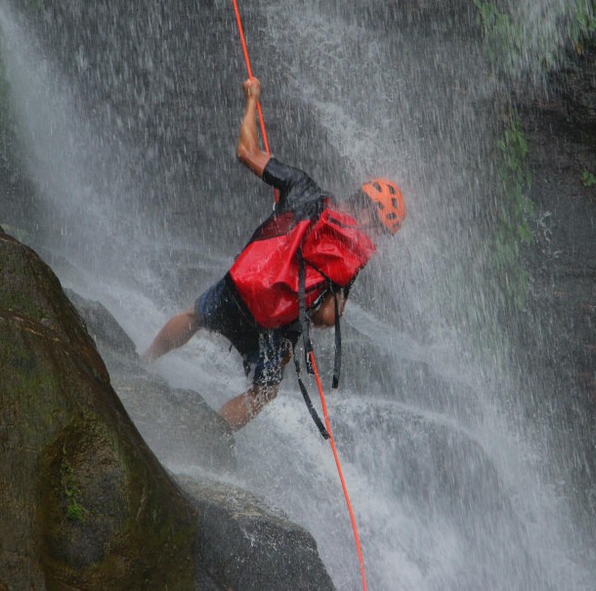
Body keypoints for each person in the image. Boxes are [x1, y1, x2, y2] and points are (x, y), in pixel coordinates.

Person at [141, 76, 405, 431]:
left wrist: (251, 98)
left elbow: (246, 152)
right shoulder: (351, 261)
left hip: (242, 287)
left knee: (194, 317)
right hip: (272, 325)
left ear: (358, 194)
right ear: (380, 230)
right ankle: (209, 435)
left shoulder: (306, 191)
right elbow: (325, 318)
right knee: (265, 390)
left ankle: (143, 362)